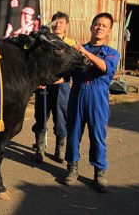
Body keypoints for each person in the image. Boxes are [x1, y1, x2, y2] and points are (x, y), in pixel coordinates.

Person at [63, 12, 120, 193]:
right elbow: (65, 74)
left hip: (98, 98)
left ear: (109, 31)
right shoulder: (76, 51)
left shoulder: (111, 53)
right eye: (97, 24)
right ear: (91, 27)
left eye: (104, 26)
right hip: (77, 94)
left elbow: (104, 68)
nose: (99, 27)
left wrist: (84, 52)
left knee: (97, 136)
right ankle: (72, 169)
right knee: (73, 134)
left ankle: (99, 173)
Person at [32, 12, 75, 164]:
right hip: (43, 86)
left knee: (61, 119)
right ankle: (39, 149)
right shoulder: (44, 41)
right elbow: (36, 62)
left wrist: (59, 80)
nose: (57, 25)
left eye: (61, 22)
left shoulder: (70, 43)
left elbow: (72, 67)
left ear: (66, 26)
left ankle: (59, 150)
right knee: (41, 117)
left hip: (61, 86)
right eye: (55, 22)